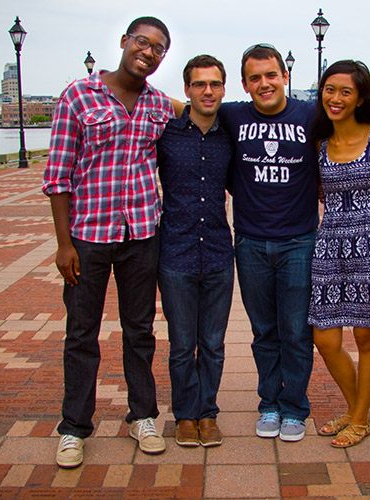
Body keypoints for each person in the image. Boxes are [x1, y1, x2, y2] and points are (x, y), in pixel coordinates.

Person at [42, 16, 186, 467]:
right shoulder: (78, 96)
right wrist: (63, 244)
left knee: (139, 330)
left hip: (142, 234)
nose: (148, 52)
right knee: (81, 333)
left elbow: (206, 112)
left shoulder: (160, 105)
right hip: (87, 237)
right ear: (124, 42)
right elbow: (58, 175)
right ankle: (74, 427)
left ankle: (142, 416)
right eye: (142, 42)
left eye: (159, 48)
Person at [217, 44, 318, 442]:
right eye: (255, 77)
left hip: (299, 242)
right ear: (244, 84)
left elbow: (363, 115)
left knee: (295, 331)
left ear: (285, 76)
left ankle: (294, 408)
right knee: (264, 332)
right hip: (251, 242)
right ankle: (269, 404)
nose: (264, 83)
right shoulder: (233, 116)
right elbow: (183, 105)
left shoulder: (310, 114)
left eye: (271, 75)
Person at [307, 60, 370, 448]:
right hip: (330, 244)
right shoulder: (319, 142)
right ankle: (358, 409)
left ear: (361, 97)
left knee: (365, 337)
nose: (336, 98)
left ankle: (358, 418)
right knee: (325, 339)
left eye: (346, 91)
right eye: (329, 89)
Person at [156, 55, 233, 448]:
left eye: (215, 84)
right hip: (176, 253)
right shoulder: (167, 133)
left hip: (219, 253)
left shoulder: (230, 135)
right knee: (183, 344)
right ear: (186, 89)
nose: (208, 91)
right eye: (199, 84)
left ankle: (208, 413)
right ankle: (185, 415)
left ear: (224, 88)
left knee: (214, 345)